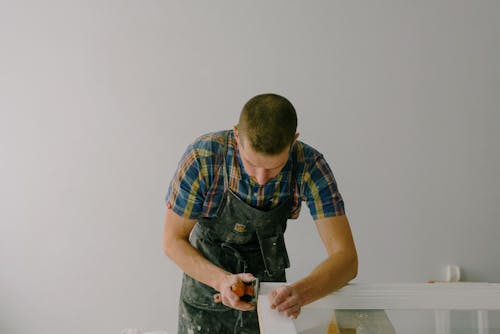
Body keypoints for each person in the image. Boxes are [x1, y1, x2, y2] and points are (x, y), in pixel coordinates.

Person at [163, 93, 358, 334]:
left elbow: (346, 259)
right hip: (207, 292)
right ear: (236, 136)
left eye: (275, 167)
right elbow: (172, 241)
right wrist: (222, 281)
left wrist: (301, 293)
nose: (261, 178)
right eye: (251, 164)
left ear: (293, 141)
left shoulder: (310, 165)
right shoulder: (203, 158)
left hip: (269, 295)